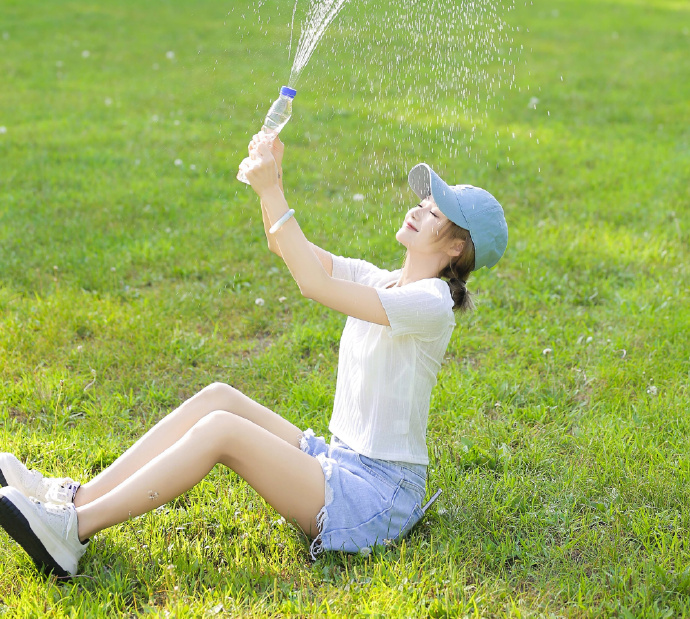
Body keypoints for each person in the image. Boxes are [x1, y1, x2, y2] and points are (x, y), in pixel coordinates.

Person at [0, 135, 508, 578]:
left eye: (433, 212)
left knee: (224, 432)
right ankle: (75, 500)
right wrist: (273, 173)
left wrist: (271, 189)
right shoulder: (383, 280)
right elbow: (287, 248)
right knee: (218, 398)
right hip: (340, 461)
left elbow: (313, 285)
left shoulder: (431, 303)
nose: (417, 209)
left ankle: (71, 533)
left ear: (456, 249)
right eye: (422, 202)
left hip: (378, 497)